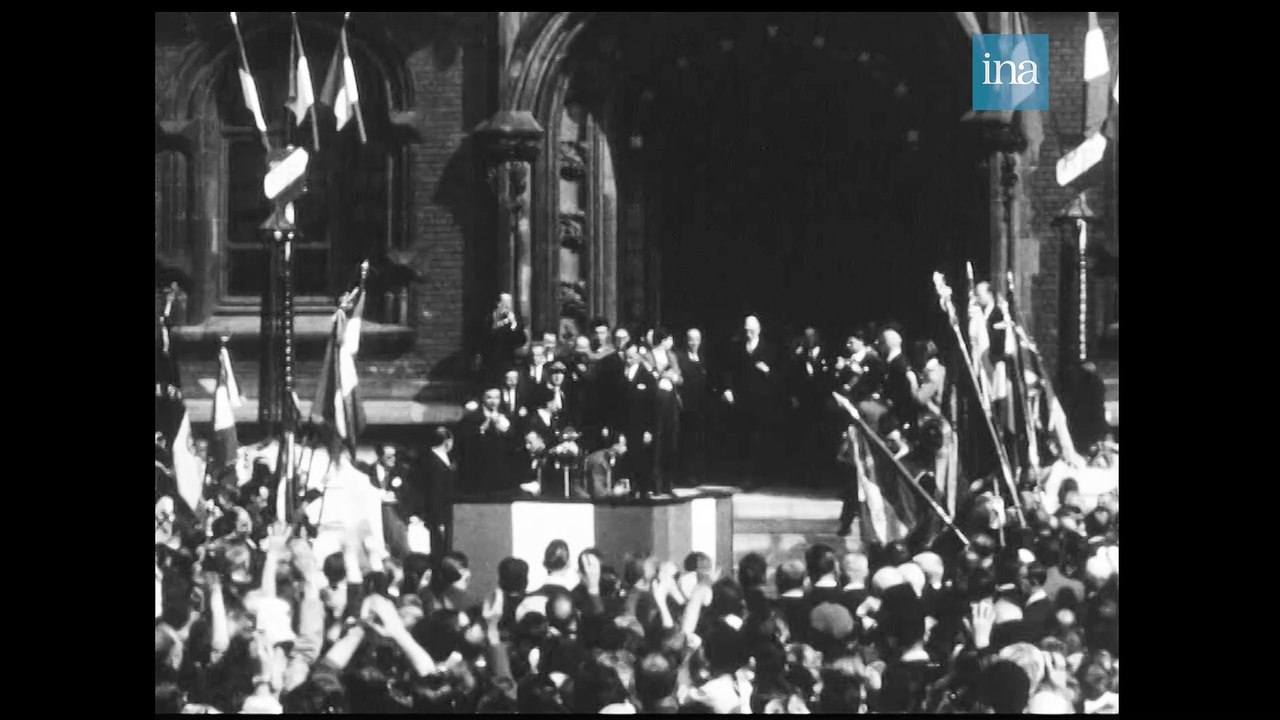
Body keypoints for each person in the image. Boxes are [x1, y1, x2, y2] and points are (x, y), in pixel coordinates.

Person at [722, 315, 778, 487]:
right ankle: (743, 476)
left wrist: (768, 371)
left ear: (759, 330)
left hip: (761, 402)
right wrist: (727, 389)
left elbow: (781, 375)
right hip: (741, 399)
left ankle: (758, 477)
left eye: (752, 330)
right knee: (742, 438)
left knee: (759, 439)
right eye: (746, 330)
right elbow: (729, 370)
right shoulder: (737, 348)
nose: (749, 333)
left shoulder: (769, 349)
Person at [457, 387, 517, 495]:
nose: (493, 401)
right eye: (489, 398)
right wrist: (482, 430)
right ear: (483, 398)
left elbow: (512, 441)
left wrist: (505, 430)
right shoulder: (471, 418)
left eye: (497, 398)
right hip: (479, 468)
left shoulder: (506, 416)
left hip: (501, 469)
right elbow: (465, 442)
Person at [615, 344, 656, 498]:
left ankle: (644, 489)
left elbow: (652, 407)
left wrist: (649, 430)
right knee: (625, 458)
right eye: (627, 356)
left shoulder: (647, 377)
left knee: (641, 459)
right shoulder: (619, 375)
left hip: (641, 428)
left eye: (632, 356)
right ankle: (627, 489)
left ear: (639, 356)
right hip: (623, 427)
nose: (628, 359)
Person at [648, 329, 683, 495]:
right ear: (662, 340)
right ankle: (656, 484)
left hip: (671, 399)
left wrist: (672, 376)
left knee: (671, 440)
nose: (671, 342)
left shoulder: (672, 356)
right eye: (669, 339)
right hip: (657, 400)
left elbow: (680, 378)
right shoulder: (648, 355)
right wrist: (662, 373)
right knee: (658, 441)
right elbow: (649, 375)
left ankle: (669, 483)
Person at [362, 444, 410, 561]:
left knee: (399, 542)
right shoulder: (368, 471)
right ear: (379, 456)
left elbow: (408, 492)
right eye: (389, 457)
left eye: (394, 456)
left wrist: (396, 495)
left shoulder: (401, 470)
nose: (393, 459)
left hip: (395, 514)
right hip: (375, 514)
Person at [676, 328, 711, 485]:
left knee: (700, 441)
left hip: (702, 405)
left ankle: (700, 474)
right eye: (691, 339)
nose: (694, 343)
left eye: (697, 339)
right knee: (687, 441)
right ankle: (686, 475)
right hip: (687, 406)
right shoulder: (681, 358)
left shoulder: (705, 358)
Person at [413, 427, 456, 554]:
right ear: (447, 441)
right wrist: (439, 520)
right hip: (438, 515)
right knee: (438, 548)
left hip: (446, 512)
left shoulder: (445, 458)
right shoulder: (432, 462)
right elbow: (435, 493)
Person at [481, 293, 526, 382]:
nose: (508, 306)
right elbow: (486, 337)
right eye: (505, 303)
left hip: (509, 360)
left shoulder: (515, 320)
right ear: (498, 304)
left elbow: (522, 339)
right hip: (490, 361)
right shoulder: (489, 318)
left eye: (509, 303)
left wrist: (513, 325)